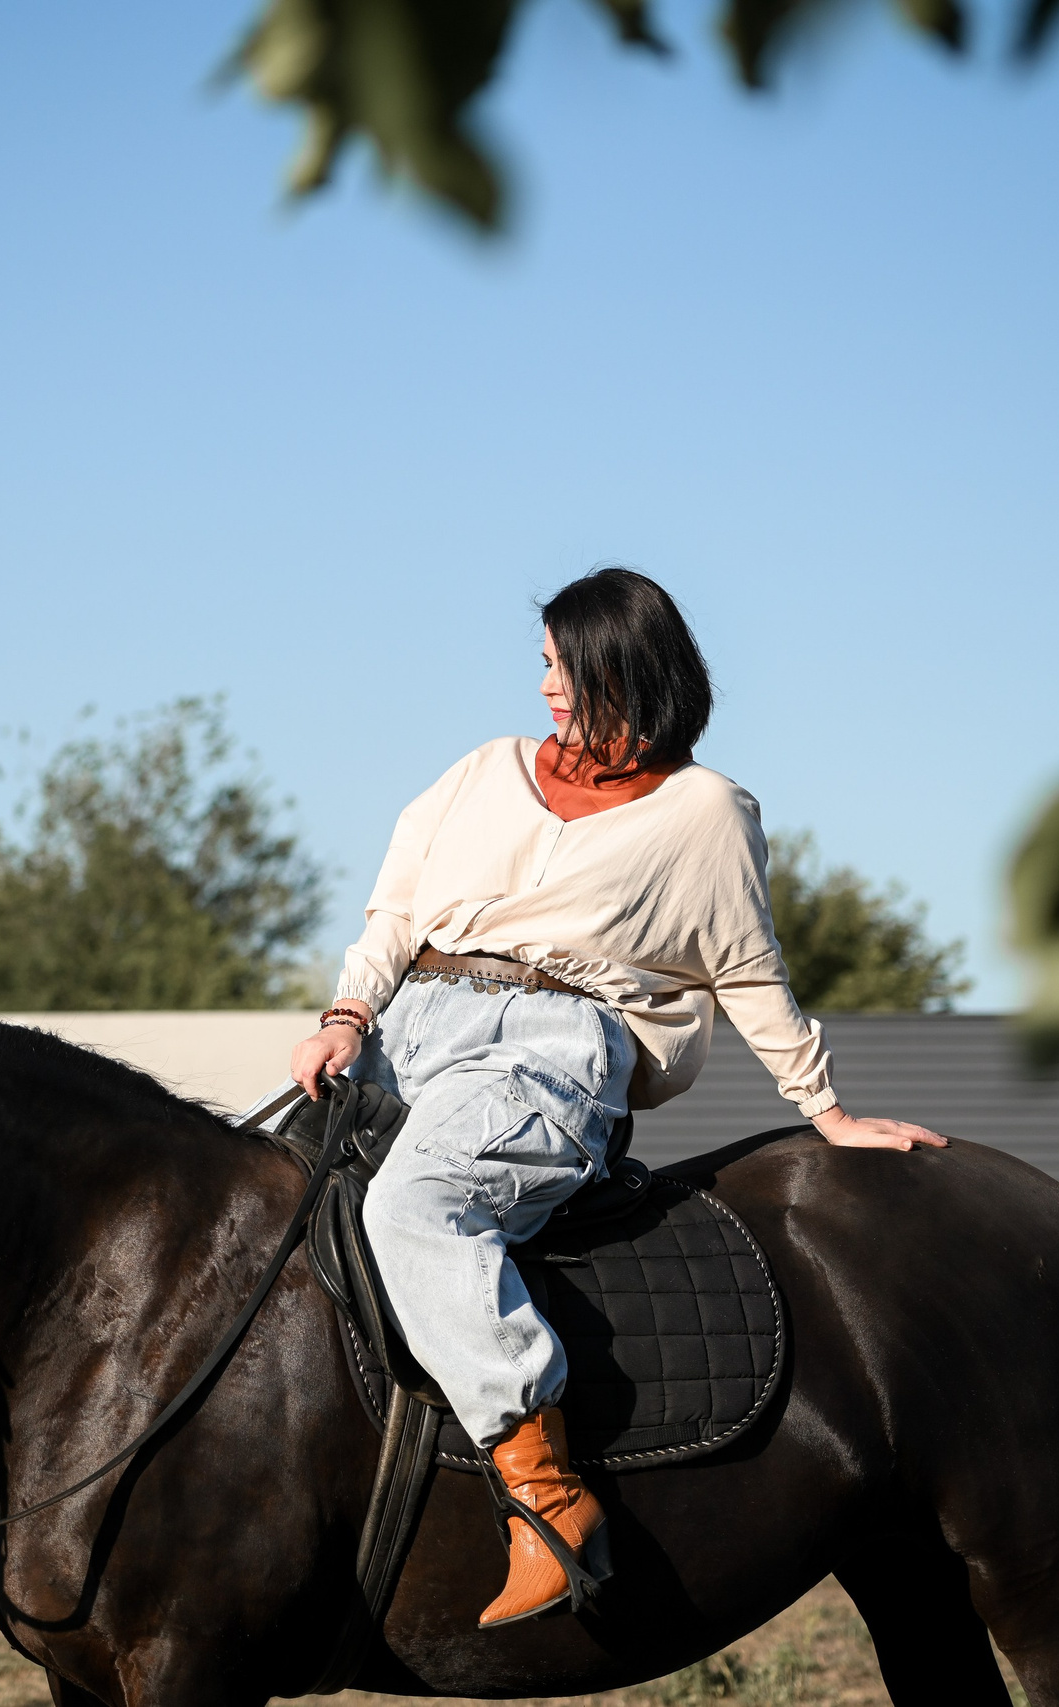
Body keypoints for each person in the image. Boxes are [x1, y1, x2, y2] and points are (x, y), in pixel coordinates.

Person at [288, 566, 944, 1630]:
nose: (543, 686)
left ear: (620, 667)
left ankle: (544, 1501)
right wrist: (344, 1016)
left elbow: (747, 970)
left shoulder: (705, 812)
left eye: (560, 665)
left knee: (415, 1209)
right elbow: (394, 915)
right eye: (542, 663)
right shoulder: (479, 772)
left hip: (551, 1043)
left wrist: (825, 1111)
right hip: (409, 1027)